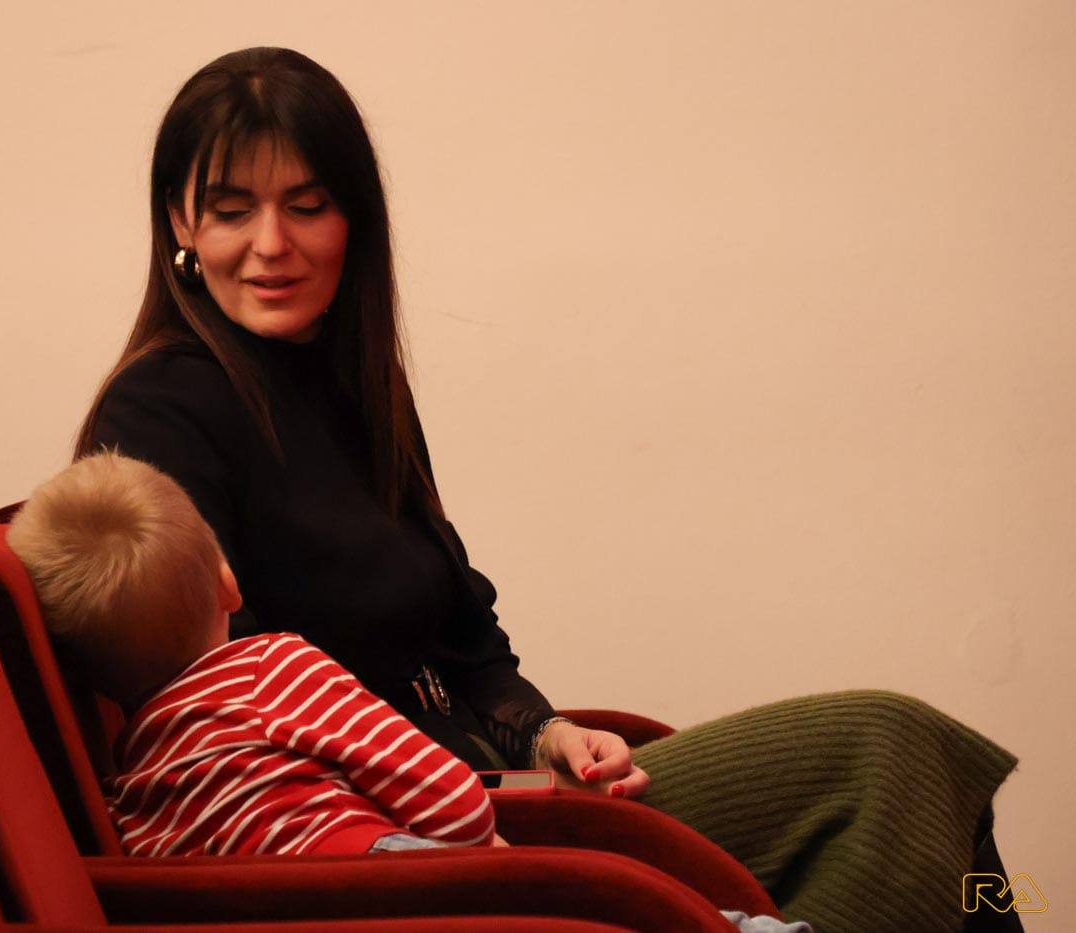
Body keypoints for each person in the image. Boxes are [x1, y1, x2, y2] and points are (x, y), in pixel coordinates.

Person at [69, 47, 1018, 932]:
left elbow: (462, 632)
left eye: (307, 205)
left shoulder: (349, 378)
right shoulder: (162, 411)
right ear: (181, 224)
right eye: (231, 210)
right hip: (417, 846)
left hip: (495, 786)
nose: (271, 245)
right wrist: (458, 803)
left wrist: (546, 733)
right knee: (891, 750)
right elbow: (218, 711)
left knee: (931, 782)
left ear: (353, 218)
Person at [6, 451, 498, 857]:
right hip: (385, 883)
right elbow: (461, 808)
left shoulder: (134, 791)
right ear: (227, 584)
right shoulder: (272, 670)